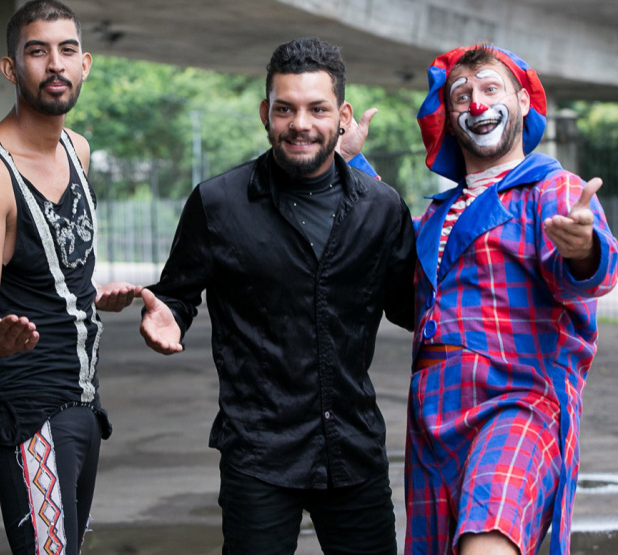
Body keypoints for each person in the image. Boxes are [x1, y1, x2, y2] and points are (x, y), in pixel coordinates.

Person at [139, 36, 416, 555]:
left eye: (317, 109)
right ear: (266, 113)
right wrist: (167, 317)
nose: (301, 124)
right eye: (285, 109)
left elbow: (412, 306)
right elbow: (176, 293)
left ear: (343, 115)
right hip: (258, 454)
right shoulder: (218, 203)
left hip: (353, 450)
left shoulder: (381, 208)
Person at [406, 44, 618, 555]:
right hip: (432, 415)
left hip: (518, 403)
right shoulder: (434, 215)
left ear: (523, 101)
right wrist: (349, 164)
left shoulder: (550, 189)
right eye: (462, 95)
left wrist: (582, 248)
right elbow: (373, 245)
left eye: (490, 89)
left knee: (488, 541)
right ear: (450, 118)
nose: (476, 104)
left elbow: (592, 270)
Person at [0, 1, 141, 553]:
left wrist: (92, 299)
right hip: (27, 402)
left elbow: (56, 269)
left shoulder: (78, 150)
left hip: (81, 395)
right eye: (37, 51)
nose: (54, 64)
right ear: (12, 69)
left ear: (86, 64)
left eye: (67, 50)